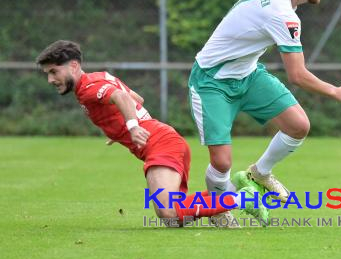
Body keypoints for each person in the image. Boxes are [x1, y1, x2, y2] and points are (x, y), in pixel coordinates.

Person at [188, 0, 341, 206]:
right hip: (212, 80)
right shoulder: (284, 17)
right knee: (222, 162)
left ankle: (259, 173)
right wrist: (336, 91)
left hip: (247, 74)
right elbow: (298, 75)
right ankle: (218, 210)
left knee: (298, 125)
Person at [36, 40, 268, 228]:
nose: (50, 79)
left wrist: (132, 126)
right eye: (47, 73)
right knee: (176, 216)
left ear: (74, 66)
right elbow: (137, 99)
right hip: (165, 140)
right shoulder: (98, 78)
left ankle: (243, 198)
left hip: (161, 144)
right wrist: (118, 131)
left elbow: (123, 98)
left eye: (54, 72)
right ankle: (235, 188)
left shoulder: (88, 88)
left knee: (168, 212)